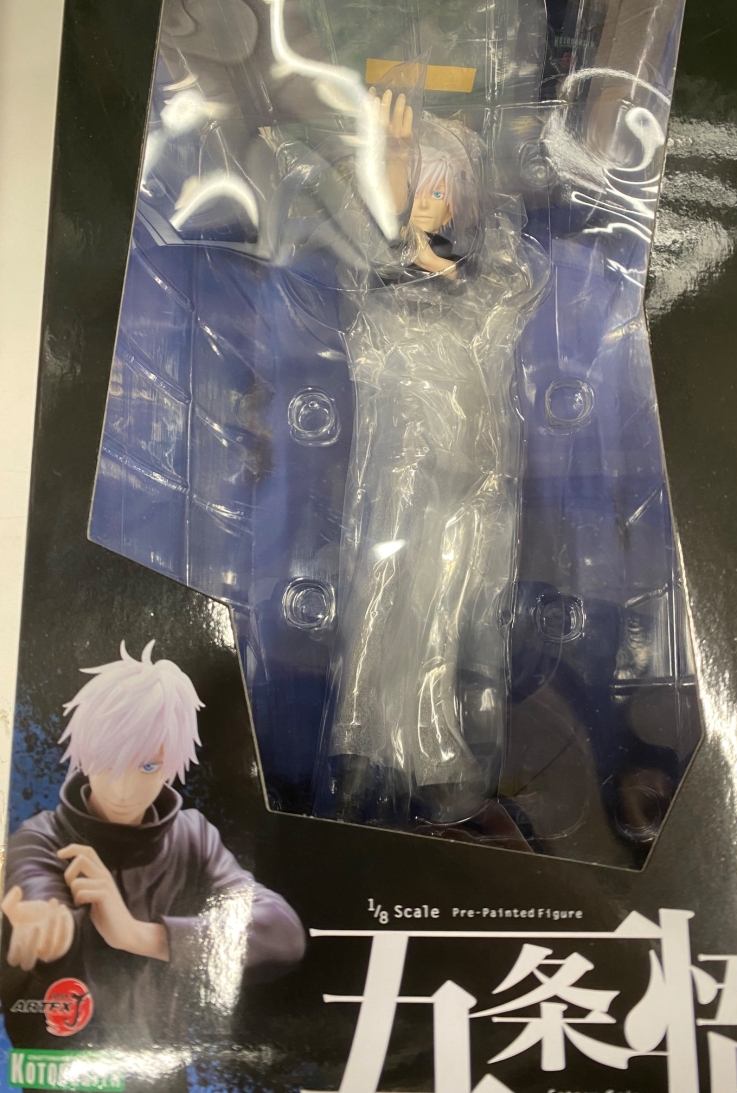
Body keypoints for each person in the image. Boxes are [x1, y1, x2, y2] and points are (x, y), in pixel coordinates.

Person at [323, 88, 550, 826]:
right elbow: (370, 279)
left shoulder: (486, 278)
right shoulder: (382, 274)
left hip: (469, 460)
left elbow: (505, 300)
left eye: (441, 188)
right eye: (417, 183)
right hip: (401, 454)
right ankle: (361, 737)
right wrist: (386, 168)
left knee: (447, 594)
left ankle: (430, 742)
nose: (428, 199)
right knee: (385, 583)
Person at [1, 641, 305, 1049]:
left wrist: (136, 935)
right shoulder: (41, 837)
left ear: (170, 763)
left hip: (163, 1067)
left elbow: (282, 934)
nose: (124, 788)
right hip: (61, 1068)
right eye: (111, 760)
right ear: (87, 752)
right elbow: (35, 882)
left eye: (148, 765)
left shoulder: (192, 837)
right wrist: (45, 921)